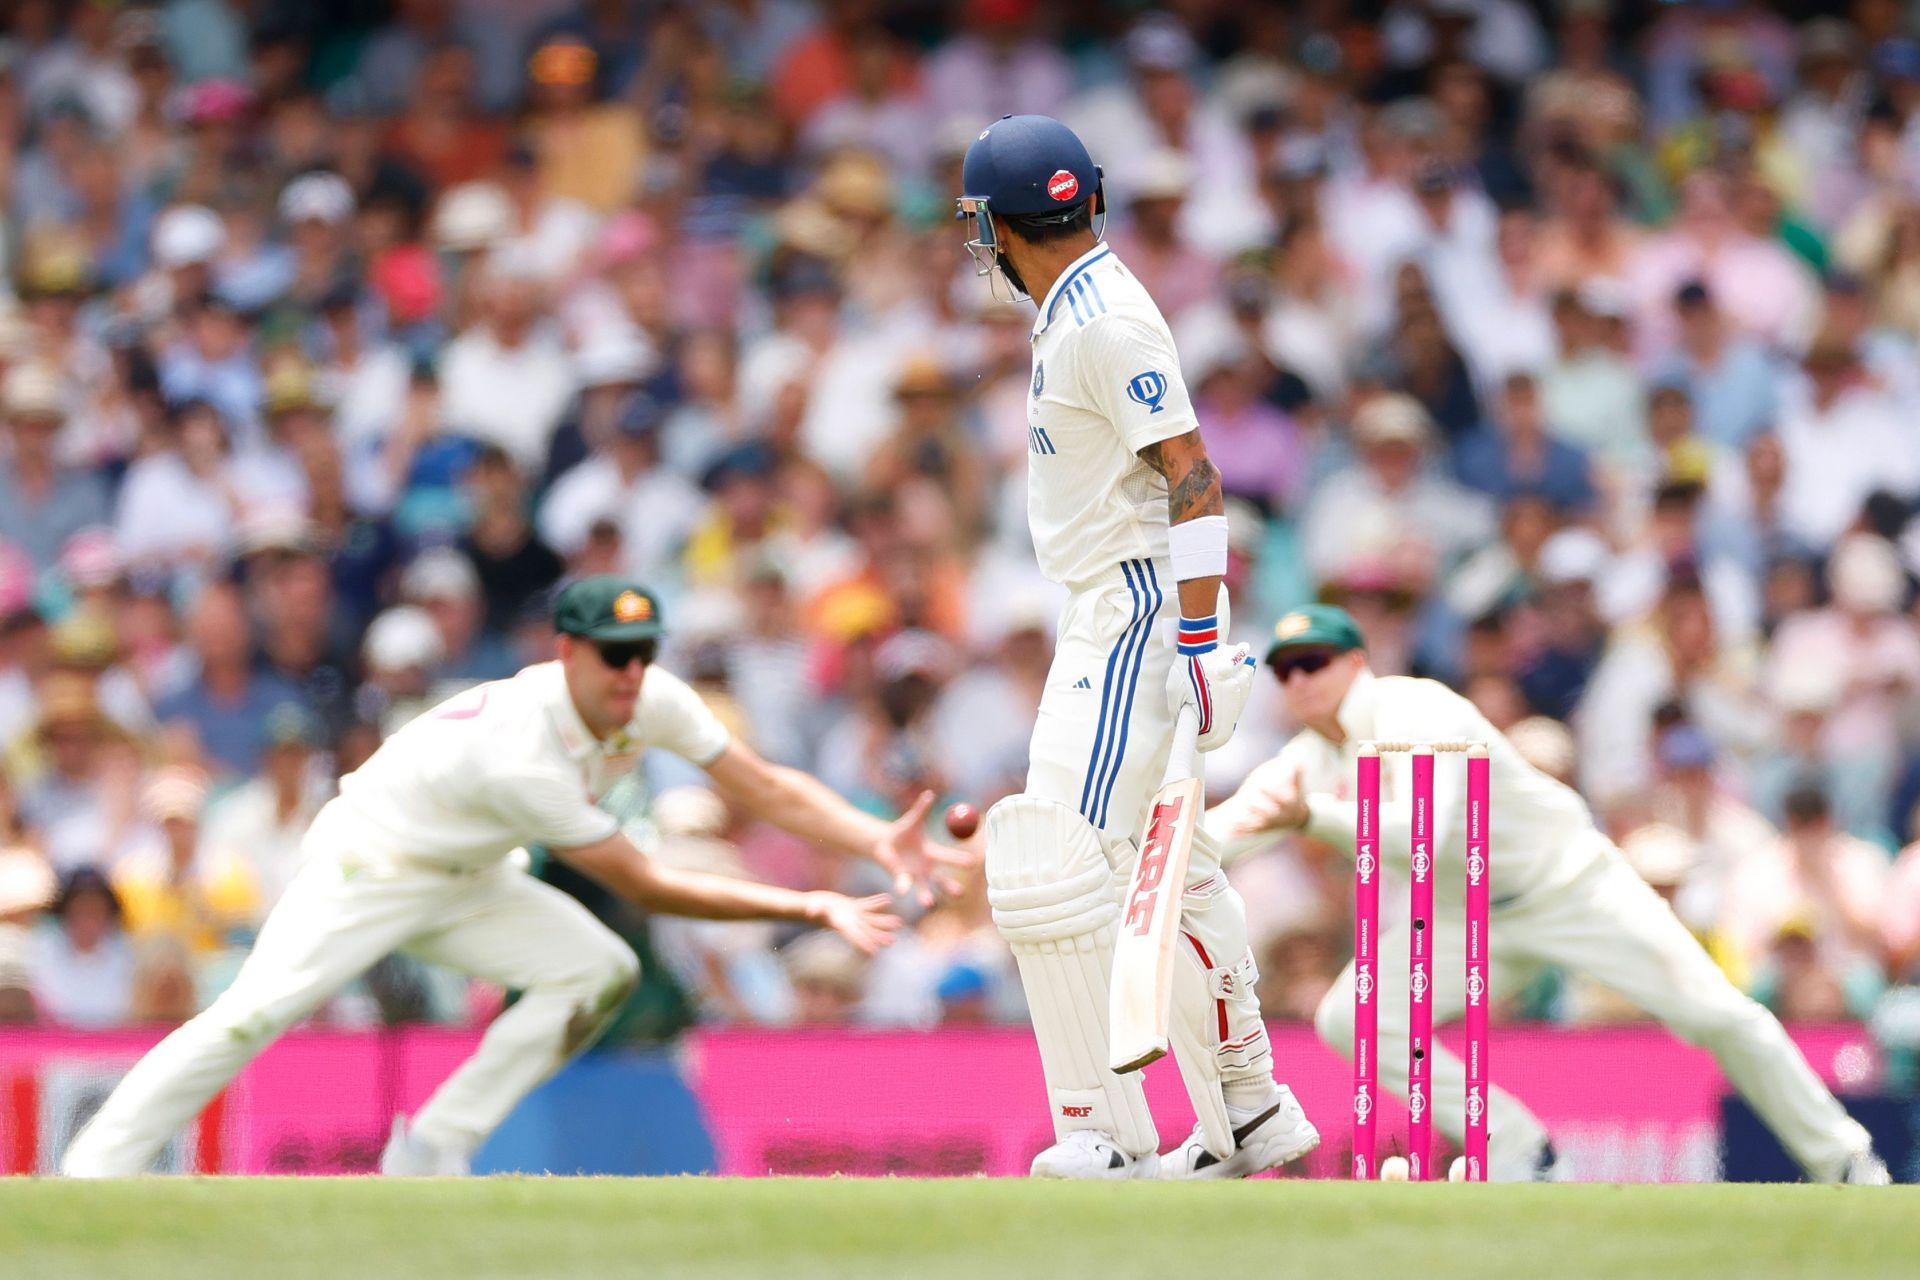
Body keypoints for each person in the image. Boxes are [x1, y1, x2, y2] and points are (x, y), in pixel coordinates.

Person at [61, 575, 965, 1178]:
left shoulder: (648, 697)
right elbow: (647, 884)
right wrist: (808, 900)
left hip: (470, 871)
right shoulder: (520, 752)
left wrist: (876, 836)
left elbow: (763, 785)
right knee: (251, 1016)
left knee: (596, 969)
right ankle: (95, 1166)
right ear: (566, 653)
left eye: (644, 651)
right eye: (614, 655)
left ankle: (433, 1147)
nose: (633, 672)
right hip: (369, 862)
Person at [1207, 603, 1891, 1184]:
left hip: (1570, 886)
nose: (1301, 679)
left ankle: (1847, 1161)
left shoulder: (1420, 707)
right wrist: (1143, 864)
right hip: (1469, 918)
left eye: (1316, 660)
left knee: (1719, 1015)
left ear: (1357, 663)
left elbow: (1432, 835)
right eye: (1287, 668)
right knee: (1348, 1019)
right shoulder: (1307, 756)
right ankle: (1516, 1145)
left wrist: (1313, 817)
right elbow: (1228, 829)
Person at [955, 114, 1317, 1181]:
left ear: (998, 223)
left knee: (1057, 866)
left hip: (1128, 612)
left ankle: (1104, 1133)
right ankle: (1247, 1108)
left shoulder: (1103, 318)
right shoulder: (1080, 307)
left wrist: (1199, 638)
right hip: (1116, 606)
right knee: (1177, 869)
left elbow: (1194, 475)